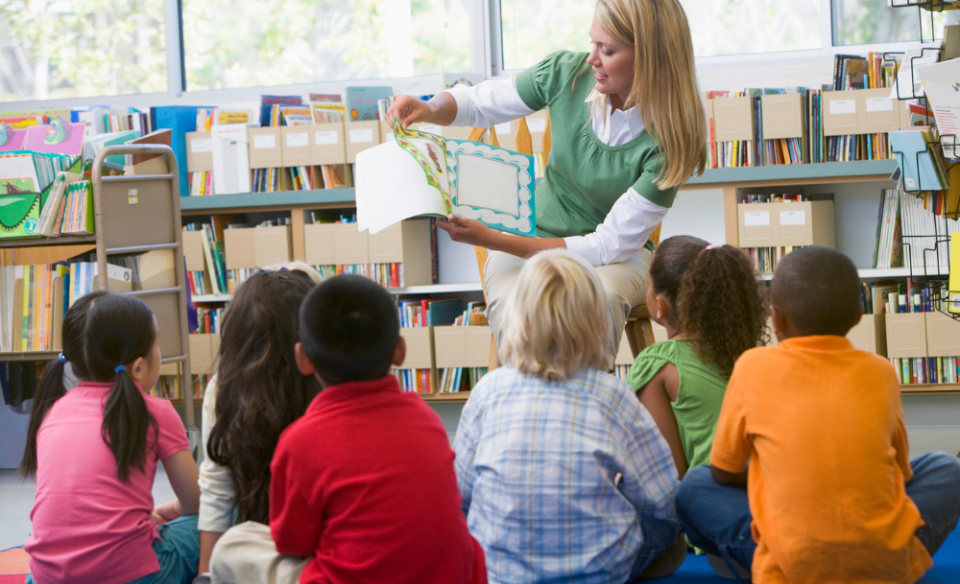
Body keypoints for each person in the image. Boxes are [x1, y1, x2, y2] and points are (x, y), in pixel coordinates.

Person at [387, 0, 707, 366]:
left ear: (651, 58)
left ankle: (587, 412)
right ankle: (523, 411)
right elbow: (481, 102)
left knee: (597, 299)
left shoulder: (670, 142)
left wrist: (493, 239)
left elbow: (607, 245)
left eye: (608, 50)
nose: (592, 59)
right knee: (512, 302)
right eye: (593, 44)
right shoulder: (567, 74)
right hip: (532, 234)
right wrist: (429, 107)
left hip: (618, 255)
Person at [676, 247, 960, 583]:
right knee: (946, 468)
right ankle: (891, 555)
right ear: (858, 315)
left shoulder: (752, 366)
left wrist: (778, 471)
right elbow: (900, 470)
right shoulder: (881, 371)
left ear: (775, 317)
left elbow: (723, 473)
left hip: (790, 562)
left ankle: (756, 560)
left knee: (695, 485)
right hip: (882, 560)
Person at [209, 275, 486, 584]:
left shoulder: (300, 441)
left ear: (304, 359)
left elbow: (294, 545)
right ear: (399, 351)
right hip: (450, 576)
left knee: (235, 543)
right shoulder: (428, 420)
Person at [454, 249, 683, 584]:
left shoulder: (487, 391)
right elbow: (661, 500)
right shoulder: (612, 395)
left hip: (501, 573)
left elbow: (461, 496)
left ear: (516, 318)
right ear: (598, 322)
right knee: (671, 541)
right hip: (597, 573)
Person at [21, 291, 200, 584]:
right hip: (131, 575)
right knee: (227, 516)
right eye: (157, 344)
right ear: (139, 367)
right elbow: (196, 504)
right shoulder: (156, 411)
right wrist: (172, 510)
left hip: (48, 577)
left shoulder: (53, 410)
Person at [195, 264, 323, 578]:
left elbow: (217, 490)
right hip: (334, 546)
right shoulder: (332, 379)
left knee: (212, 538)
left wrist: (205, 576)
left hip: (269, 539)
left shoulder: (222, 388)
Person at [626, 236, 767, 477]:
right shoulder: (757, 352)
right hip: (770, 494)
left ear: (660, 305)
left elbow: (667, 476)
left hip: (714, 500)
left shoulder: (657, 365)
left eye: (648, 283)